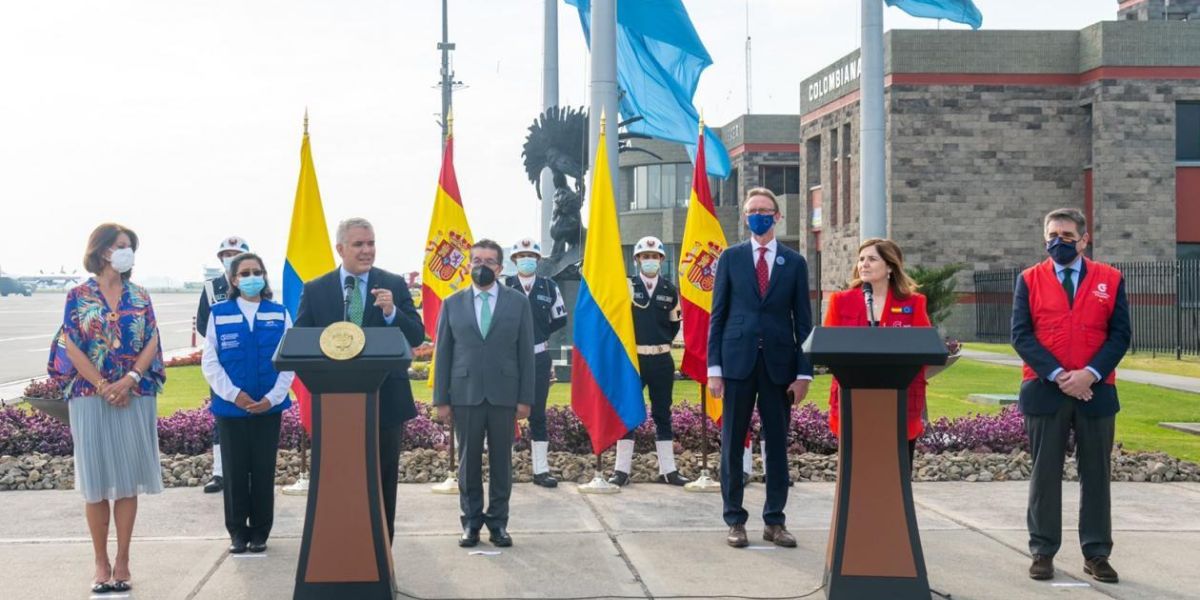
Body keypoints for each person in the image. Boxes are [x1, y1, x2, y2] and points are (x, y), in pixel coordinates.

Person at [1012, 208, 1130, 584]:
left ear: (1084, 239)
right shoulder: (1029, 279)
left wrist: (1089, 375)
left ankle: (1096, 553)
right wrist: (1060, 375)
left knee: (1096, 473)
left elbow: (1120, 335)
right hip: (1045, 389)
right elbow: (1021, 335)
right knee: (1045, 474)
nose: (1057, 242)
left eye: (1065, 235)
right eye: (1051, 235)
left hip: (1096, 392)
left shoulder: (1110, 279)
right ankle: (1042, 550)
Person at [47, 223, 165, 594]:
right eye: (120, 245)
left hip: (134, 393)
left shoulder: (141, 295)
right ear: (101, 251)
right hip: (89, 395)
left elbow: (152, 340)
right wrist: (102, 385)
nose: (126, 251)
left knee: (127, 480)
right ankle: (100, 561)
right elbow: (72, 345)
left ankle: (123, 560)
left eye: (129, 246)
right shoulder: (78, 296)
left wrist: (129, 380)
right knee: (96, 483)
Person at [295, 217, 424, 543]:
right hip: (335, 404)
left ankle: (382, 551)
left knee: (382, 481)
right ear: (340, 249)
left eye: (371, 243)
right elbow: (300, 341)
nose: (367, 251)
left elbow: (417, 333)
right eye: (358, 244)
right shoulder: (316, 289)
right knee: (341, 480)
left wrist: (393, 312)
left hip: (386, 401)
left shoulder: (392, 284)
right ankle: (344, 548)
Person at [707, 187, 813, 549]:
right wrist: (714, 368)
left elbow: (804, 323)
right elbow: (717, 316)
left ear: (777, 216)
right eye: (752, 210)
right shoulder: (731, 258)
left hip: (779, 368)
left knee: (777, 447)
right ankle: (735, 519)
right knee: (732, 445)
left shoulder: (794, 262)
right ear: (746, 217)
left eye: (764, 210)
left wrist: (803, 373)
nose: (758, 215)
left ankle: (775, 521)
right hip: (736, 365)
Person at [433, 239, 535, 548]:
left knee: (502, 463)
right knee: (468, 463)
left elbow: (525, 353)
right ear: (468, 265)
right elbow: (444, 353)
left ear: (500, 268)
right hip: (465, 394)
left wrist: (525, 398)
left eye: (489, 261)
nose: (482, 266)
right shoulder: (452, 303)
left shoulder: (518, 302)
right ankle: (471, 524)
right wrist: (441, 398)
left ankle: (498, 524)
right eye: (477, 260)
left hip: (505, 394)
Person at [200, 252, 294, 554]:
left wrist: (272, 398)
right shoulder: (220, 313)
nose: (252, 278)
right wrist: (234, 395)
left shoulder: (279, 314)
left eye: (257, 272)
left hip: (268, 408)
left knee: (263, 470)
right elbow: (210, 363)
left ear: (264, 276)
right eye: (245, 273)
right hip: (231, 409)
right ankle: (238, 533)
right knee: (235, 471)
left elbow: (289, 361)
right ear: (234, 280)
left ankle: (260, 532)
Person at [824, 238, 931, 470]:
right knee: (859, 472)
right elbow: (829, 348)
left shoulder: (913, 303)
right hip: (854, 400)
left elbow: (924, 348)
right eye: (861, 259)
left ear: (890, 267)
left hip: (899, 401)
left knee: (894, 472)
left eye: (872, 259)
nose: (864, 264)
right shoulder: (841, 301)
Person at [609, 236, 690, 487]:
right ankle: (621, 471)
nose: (650, 261)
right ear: (637, 260)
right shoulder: (627, 287)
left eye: (654, 257)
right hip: (634, 360)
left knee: (662, 414)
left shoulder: (669, 290)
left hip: (662, 360)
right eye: (645, 257)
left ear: (661, 260)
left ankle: (668, 470)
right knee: (628, 414)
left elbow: (675, 322)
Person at [504, 237, 567, 488]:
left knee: (538, 413)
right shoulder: (504, 286)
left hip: (539, 356)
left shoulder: (549, 287)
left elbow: (558, 320)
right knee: (505, 412)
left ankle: (541, 470)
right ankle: (504, 467)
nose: (526, 260)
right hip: (509, 357)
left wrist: (537, 334)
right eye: (521, 256)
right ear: (514, 260)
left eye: (531, 256)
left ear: (538, 260)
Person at [196, 235, 251, 494]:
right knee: (221, 416)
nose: (229, 259)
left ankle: (250, 470)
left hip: (252, 361)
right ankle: (220, 472)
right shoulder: (211, 288)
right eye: (226, 255)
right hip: (222, 363)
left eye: (235, 254)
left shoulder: (254, 282)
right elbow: (202, 323)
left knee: (253, 413)